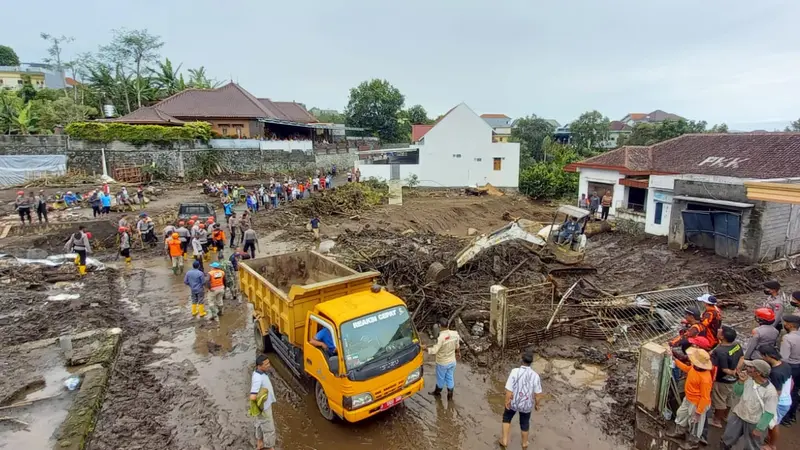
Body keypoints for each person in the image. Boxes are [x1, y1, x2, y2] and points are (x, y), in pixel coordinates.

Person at [721, 360, 778, 450]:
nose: (747, 368)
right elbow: (737, 392)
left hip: (754, 422)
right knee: (727, 438)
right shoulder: (748, 379)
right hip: (739, 415)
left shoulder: (770, 392)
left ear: (758, 372)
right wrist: (741, 382)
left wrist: (760, 428)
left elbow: (769, 412)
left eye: (751, 367)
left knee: (752, 446)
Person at [667, 347, 713, 446]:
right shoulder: (695, 367)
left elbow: (705, 397)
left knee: (695, 424)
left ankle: (693, 443)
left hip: (697, 403)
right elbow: (687, 369)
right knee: (681, 414)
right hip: (688, 398)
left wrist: (698, 412)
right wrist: (675, 359)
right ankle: (680, 433)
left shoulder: (705, 379)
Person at [500, 351, 543, 449]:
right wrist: (537, 404)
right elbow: (538, 394)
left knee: (507, 418)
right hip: (526, 404)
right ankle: (524, 443)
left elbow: (509, 389)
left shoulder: (514, 371)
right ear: (531, 362)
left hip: (514, 402)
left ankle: (505, 440)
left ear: (522, 360)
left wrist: (507, 401)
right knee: (524, 422)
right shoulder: (535, 376)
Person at [709, 326, 743, 428]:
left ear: (723, 337)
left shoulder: (720, 351)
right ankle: (724, 416)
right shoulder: (736, 345)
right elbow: (742, 357)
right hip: (733, 380)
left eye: (720, 330)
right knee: (729, 398)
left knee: (720, 400)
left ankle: (717, 420)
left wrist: (732, 372)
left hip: (721, 380)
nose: (718, 330)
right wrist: (737, 370)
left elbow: (724, 369)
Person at [758, 345, 792, 449]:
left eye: (762, 356)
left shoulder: (775, 373)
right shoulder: (785, 365)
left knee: (773, 424)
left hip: (779, 402)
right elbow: (791, 382)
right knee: (772, 424)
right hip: (786, 399)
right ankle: (769, 439)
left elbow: (777, 392)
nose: (762, 358)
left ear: (767, 356)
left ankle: (771, 445)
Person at [422, 317, 461, 400]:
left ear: (439, 326)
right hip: (452, 362)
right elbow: (457, 346)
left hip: (442, 363)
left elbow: (434, 350)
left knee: (440, 378)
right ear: (448, 324)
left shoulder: (441, 338)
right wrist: (458, 353)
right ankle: (450, 397)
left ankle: (437, 392)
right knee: (450, 377)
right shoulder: (455, 334)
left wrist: (424, 348)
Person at [249, 354, 277, 450]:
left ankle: (260, 444)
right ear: (259, 366)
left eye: (268, 363)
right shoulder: (258, 378)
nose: (269, 365)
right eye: (266, 364)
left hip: (262, 408)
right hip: (264, 409)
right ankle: (270, 448)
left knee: (260, 424)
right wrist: (259, 408)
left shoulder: (259, 373)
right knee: (270, 429)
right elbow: (253, 396)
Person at [779, 314, 800, 425]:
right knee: (795, 391)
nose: (784, 325)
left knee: (786, 392)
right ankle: (792, 415)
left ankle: (784, 417)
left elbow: (784, 357)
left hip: (791, 367)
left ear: (791, 325)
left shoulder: (787, 338)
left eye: (786, 323)